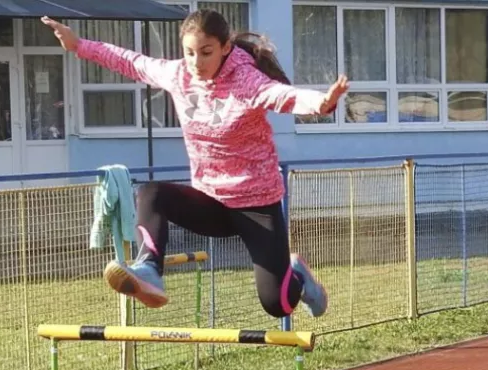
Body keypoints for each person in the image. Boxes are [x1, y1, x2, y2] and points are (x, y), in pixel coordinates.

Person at [42, 9, 349, 319]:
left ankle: (296, 274)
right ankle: (148, 270)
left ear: (225, 47)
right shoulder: (178, 75)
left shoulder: (246, 80)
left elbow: (282, 95)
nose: (196, 63)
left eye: (206, 53)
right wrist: (78, 45)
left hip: (256, 206)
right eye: (189, 53)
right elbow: (131, 62)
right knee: (151, 194)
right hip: (210, 202)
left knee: (277, 305)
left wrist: (322, 103)